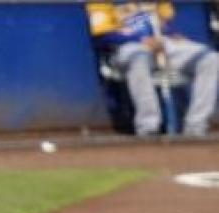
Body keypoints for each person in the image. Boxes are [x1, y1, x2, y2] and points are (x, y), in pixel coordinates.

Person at [87, 2, 219, 136]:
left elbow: (163, 22)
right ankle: (148, 126)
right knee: (139, 58)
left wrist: (171, 34)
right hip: (126, 47)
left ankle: (196, 126)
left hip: (162, 44)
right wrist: (141, 39)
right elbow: (102, 37)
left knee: (210, 59)